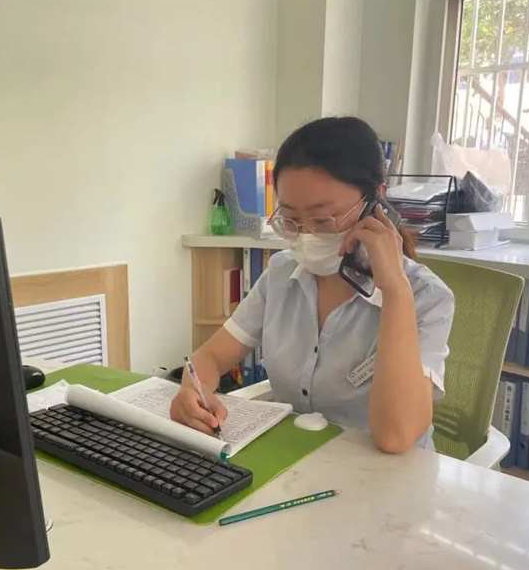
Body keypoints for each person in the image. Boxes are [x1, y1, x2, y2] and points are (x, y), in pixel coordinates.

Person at [170, 116, 455, 453]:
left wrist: (394, 292)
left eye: (323, 219)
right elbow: (210, 357)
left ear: (376, 200)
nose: (306, 234)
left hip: (384, 476)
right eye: (291, 219)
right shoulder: (282, 273)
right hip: (297, 461)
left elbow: (395, 437)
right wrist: (193, 393)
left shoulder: (426, 297)